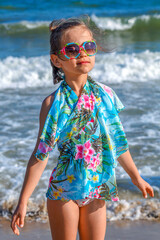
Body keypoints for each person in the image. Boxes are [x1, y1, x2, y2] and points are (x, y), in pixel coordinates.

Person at [11, 16, 154, 240]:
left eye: (88, 46)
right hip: (64, 191)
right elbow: (41, 156)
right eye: (72, 49)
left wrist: (136, 177)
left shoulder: (105, 95)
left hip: (97, 187)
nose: (82, 54)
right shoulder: (52, 104)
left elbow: (118, 142)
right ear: (57, 60)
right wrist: (23, 201)